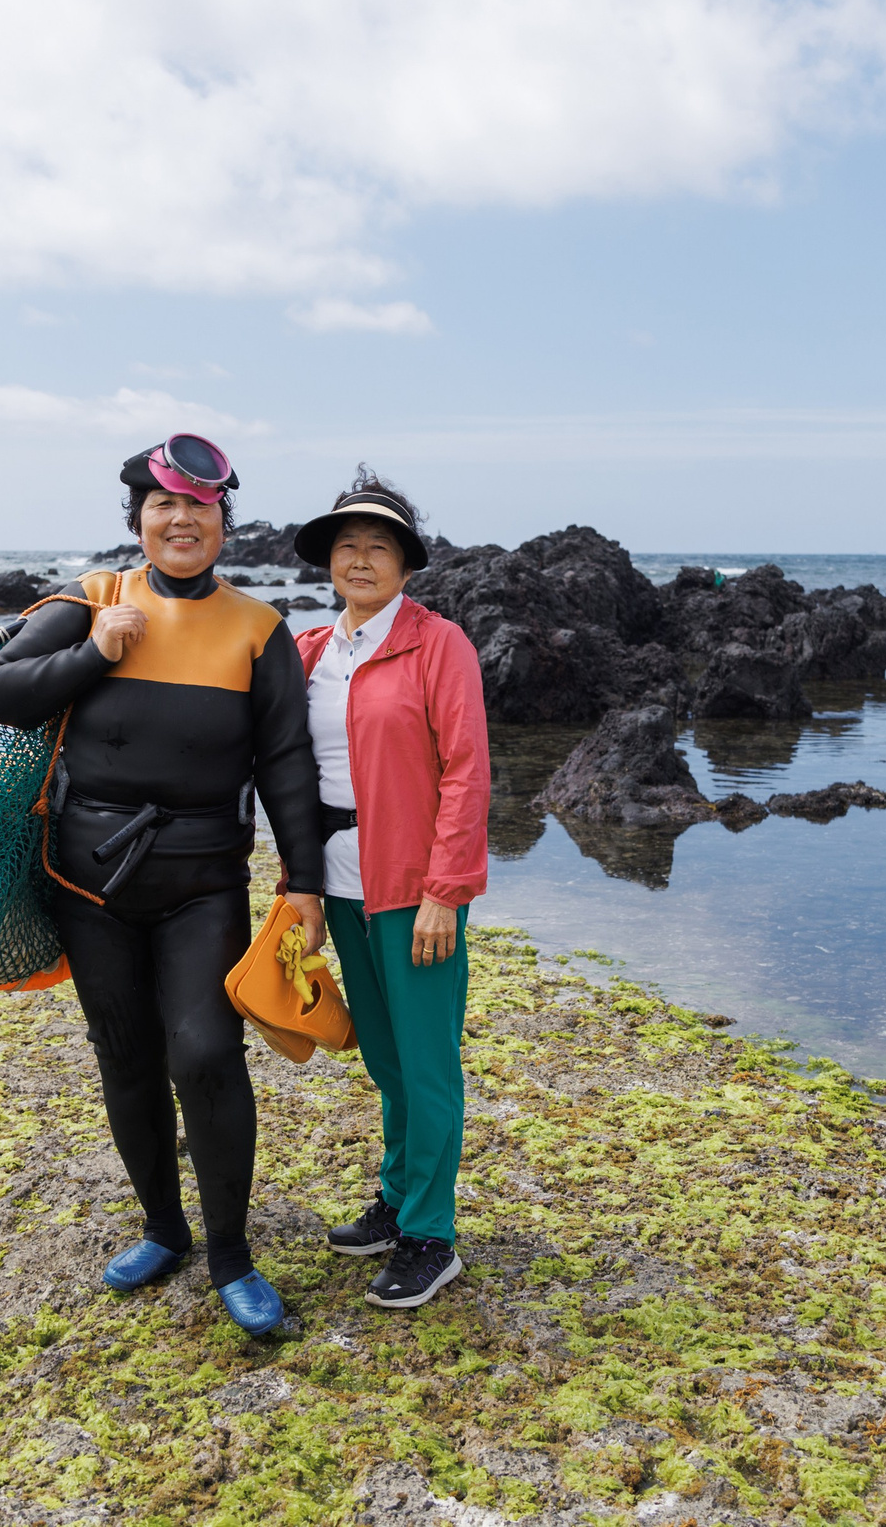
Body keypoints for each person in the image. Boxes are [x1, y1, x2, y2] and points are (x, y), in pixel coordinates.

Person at [0, 434, 327, 1336]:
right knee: (125, 1054)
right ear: (137, 518)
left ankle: (231, 1255)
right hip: (89, 884)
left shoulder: (258, 629)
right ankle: (163, 1229)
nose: (181, 520)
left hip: (203, 882)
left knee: (206, 1052)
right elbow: (3, 693)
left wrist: (303, 881)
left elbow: (286, 761)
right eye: (162, 505)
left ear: (223, 524)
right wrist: (94, 653)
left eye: (199, 507)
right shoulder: (93, 599)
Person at [290, 468, 489, 1309]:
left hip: (413, 888)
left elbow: (467, 771)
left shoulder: (439, 645)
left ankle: (431, 1235)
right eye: (348, 546)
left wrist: (446, 889)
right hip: (339, 886)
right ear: (328, 561)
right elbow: (287, 775)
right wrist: (296, 884)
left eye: (379, 546)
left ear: (406, 564)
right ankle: (398, 1196)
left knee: (427, 1063)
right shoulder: (309, 652)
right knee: (383, 1057)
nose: (361, 559)